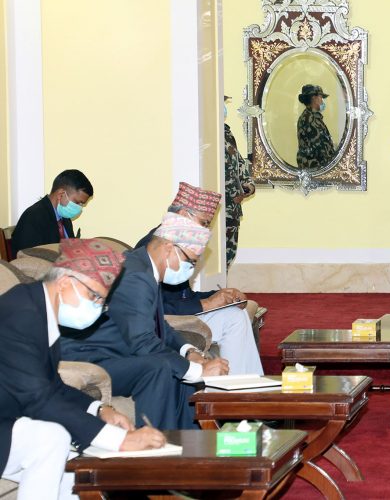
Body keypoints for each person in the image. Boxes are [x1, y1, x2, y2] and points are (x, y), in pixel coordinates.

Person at [1, 239, 166, 498]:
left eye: (102, 301)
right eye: (94, 297)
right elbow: (39, 399)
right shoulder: (22, 313)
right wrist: (119, 440)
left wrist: (99, 410)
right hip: (7, 422)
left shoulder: (40, 308)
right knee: (51, 438)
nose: (97, 307)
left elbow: (52, 385)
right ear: (65, 282)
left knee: (78, 469)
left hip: (10, 419)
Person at [60, 213, 231, 429]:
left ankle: (190, 441)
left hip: (117, 353)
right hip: (90, 359)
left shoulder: (145, 268)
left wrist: (189, 353)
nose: (190, 269)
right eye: (190, 262)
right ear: (169, 248)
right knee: (159, 367)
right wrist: (197, 371)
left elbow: (159, 326)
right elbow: (142, 342)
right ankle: (158, 444)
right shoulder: (136, 275)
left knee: (180, 368)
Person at [134, 183, 263, 375]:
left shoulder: (180, 244)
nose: (205, 230)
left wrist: (221, 296)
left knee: (235, 313)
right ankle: (236, 385)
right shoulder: (154, 249)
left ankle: (248, 383)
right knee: (233, 319)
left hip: (183, 313)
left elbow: (183, 296)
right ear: (184, 215)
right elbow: (158, 309)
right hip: (172, 321)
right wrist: (207, 304)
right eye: (204, 223)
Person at [10, 170, 93, 256]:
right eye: (77, 202)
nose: (79, 208)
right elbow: (27, 257)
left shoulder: (65, 218)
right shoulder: (33, 217)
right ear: (61, 194)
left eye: (82, 204)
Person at [223, 96, 255, 269]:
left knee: (228, 255)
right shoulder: (207, 134)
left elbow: (239, 162)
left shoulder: (226, 133)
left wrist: (248, 184)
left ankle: (221, 285)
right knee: (216, 258)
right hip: (219, 209)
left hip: (232, 207)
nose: (224, 108)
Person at [296, 84, 336, 169]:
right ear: (314, 98)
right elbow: (320, 148)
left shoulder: (311, 116)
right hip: (314, 168)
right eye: (321, 97)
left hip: (316, 168)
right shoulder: (309, 119)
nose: (322, 101)